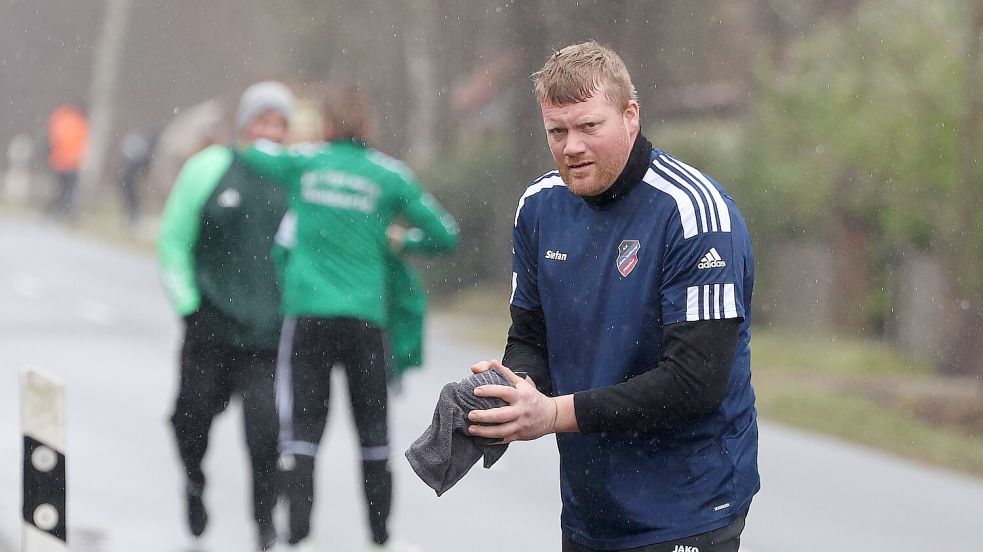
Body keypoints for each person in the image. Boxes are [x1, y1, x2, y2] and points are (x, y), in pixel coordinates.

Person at [466, 41, 759, 552]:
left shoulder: (694, 214)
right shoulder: (539, 207)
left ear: (630, 116)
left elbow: (695, 382)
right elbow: (531, 336)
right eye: (557, 131)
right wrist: (510, 397)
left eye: (588, 126)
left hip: (688, 506)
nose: (571, 147)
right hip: (590, 508)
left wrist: (554, 415)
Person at [241, 84, 459, 552]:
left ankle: (297, 533)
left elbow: (255, 154)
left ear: (325, 124)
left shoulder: (305, 163)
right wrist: (400, 241)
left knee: (302, 430)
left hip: (309, 316)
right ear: (369, 126)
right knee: (374, 433)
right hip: (365, 321)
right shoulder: (389, 175)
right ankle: (379, 537)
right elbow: (445, 234)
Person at [157, 81, 295, 551]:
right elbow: (174, 239)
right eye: (261, 120)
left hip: (265, 336)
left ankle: (264, 526)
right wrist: (188, 305)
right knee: (188, 423)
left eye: (278, 123)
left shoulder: (295, 178)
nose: (268, 131)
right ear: (244, 125)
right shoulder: (209, 168)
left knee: (265, 437)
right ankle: (194, 483)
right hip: (209, 327)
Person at [45, 103, 88, 221]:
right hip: (72, 163)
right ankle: (65, 212)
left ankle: (54, 211)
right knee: (68, 189)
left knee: (61, 188)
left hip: (59, 161)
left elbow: (53, 140)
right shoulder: (80, 123)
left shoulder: (60, 120)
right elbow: (82, 145)